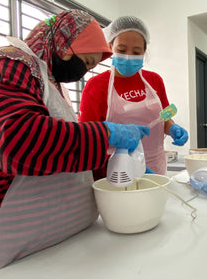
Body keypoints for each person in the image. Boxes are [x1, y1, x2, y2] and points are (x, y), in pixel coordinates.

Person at [0, 10, 150, 279]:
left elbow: (62, 147)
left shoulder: (44, 78)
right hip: (2, 248)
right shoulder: (8, 65)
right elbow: (17, 142)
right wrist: (105, 134)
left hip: (46, 251)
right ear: (65, 44)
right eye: (85, 61)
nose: (82, 72)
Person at [79, 16, 188, 176]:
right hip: (115, 172)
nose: (129, 56)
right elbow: (87, 137)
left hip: (155, 167)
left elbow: (164, 116)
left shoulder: (154, 80)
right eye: (122, 50)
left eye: (136, 52)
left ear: (144, 51)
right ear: (110, 46)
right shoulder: (96, 85)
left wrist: (172, 127)